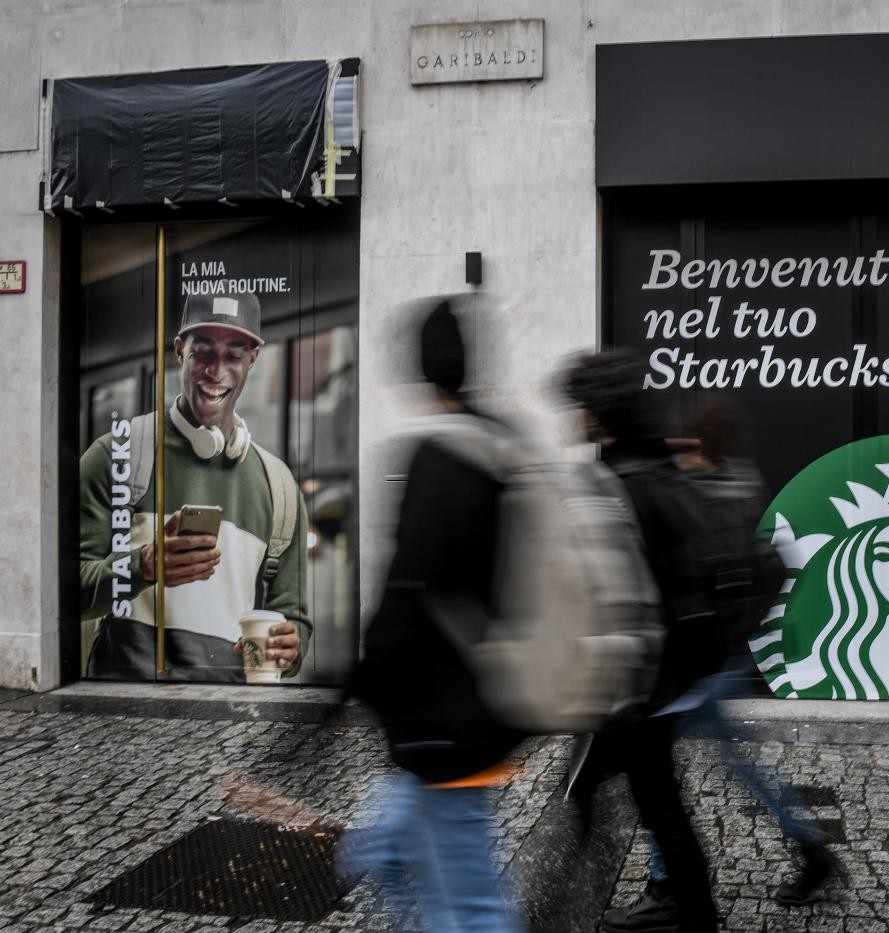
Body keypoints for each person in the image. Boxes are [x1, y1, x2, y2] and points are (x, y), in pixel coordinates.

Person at [599, 398, 843, 932]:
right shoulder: (741, 479)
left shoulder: (694, 490)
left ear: (694, 444)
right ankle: (813, 854)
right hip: (722, 656)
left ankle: (667, 889)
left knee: (657, 777)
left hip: (694, 660)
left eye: (683, 442)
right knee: (737, 770)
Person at [342, 301, 526, 931]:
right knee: (386, 847)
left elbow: (407, 587)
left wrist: (360, 680)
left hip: (445, 716)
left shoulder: (439, 459)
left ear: (419, 371)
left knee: (471, 908)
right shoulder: (503, 444)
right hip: (480, 696)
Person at [562, 351, 722, 933]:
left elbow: (619, 585)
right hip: (670, 669)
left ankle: (690, 914)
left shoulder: (622, 478)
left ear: (597, 412)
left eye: (580, 407)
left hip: (647, 673)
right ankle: (682, 908)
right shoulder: (654, 464)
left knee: (652, 801)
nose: (575, 418)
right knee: (656, 799)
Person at [79, 292, 308, 681]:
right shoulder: (118, 454)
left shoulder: (280, 487)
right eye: (203, 353)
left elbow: (294, 621)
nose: (216, 372)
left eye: (233, 356)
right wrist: (142, 566)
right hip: (124, 714)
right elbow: (65, 593)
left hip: (234, 725)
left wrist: (291, 645)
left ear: (253, 359)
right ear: (180, 350)